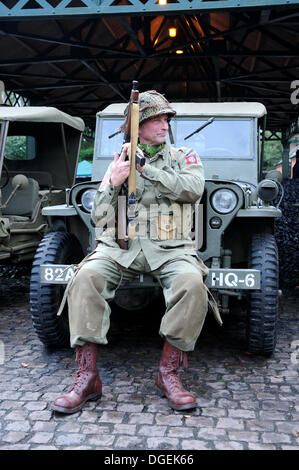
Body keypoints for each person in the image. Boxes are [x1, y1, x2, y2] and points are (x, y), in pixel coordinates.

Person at [52, 90, 221, 415]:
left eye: (166, 118)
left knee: (192, 284)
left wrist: (146, 172)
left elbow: (193, 190)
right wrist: (112, 184)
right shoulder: (119, 161)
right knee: (85, 277)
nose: (164, 125)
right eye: (156, 119)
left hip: (171, 248)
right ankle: (87, 378)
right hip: (120, 246)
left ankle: (167, 374)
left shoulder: (183, 156)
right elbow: (99, 217)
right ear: (137, 128)